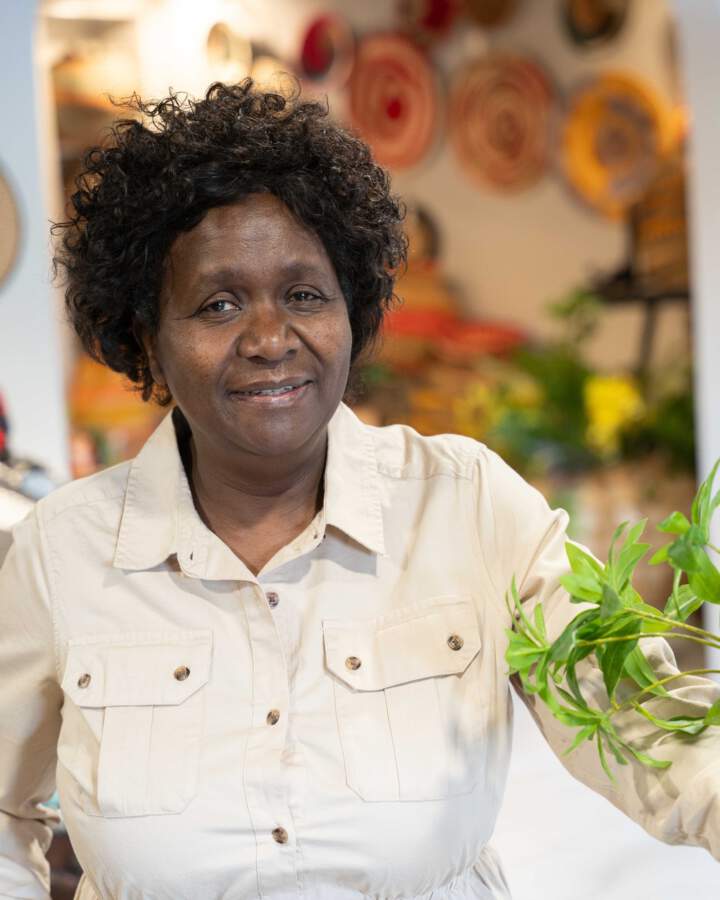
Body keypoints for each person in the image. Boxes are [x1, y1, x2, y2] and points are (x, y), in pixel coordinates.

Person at [0, 80, 718, 900]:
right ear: (147, 338)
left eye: (305, 295)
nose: (270, 338)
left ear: (355, 309)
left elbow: (641, 722)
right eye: (219, 304)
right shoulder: (63, 552)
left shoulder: (468, 504)